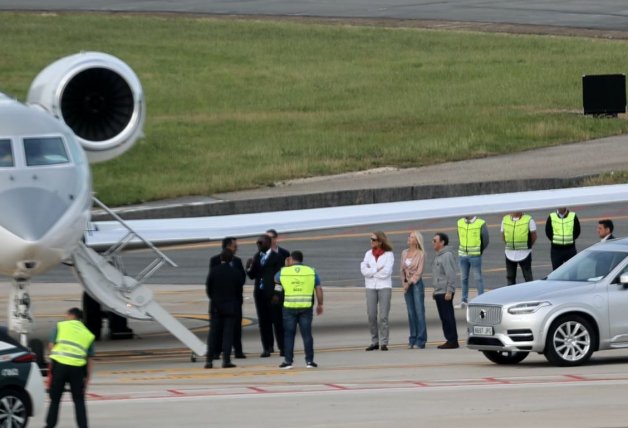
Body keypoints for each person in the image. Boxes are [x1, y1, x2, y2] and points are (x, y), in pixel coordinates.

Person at [45, 307, 95, 428]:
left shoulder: (61, 326)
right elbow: (89, 359)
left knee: (55, 399)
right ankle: (83, 426)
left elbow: (51, 346)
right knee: (79, 400)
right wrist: (87, 378)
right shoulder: (88, 334)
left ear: (69, 315)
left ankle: (50, 425)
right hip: (77, 369)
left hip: (60, 367)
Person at [275, 250, 324, 369]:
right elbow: (318, 289)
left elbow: (276, 279)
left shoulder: (284, 272)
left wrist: (286, 267)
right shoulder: (311, 271)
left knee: (289, 335)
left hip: (289, 307)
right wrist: (320, 304)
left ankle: (288, 361)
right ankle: (309, 361)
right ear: (302, 260)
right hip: (305, 307)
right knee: (307, 335)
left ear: (291, 259)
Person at [247, 234, 285, 357]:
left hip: (273, 294)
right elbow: (252, 276)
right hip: (260, 294)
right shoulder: (257, 257)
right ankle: (267, 347)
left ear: (268, 243)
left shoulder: (277, 257)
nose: (258, 245)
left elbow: (281, 278)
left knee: (278, 321)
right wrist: (249, 267)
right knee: (264, 322)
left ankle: (282, 347)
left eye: (260, 243)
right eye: (257, 243)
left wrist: (277, 293)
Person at [205, 249, 244, 369]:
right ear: (232, 259)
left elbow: (209, 289)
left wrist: (215, 300)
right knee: (228, 335)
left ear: (221, 258)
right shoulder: (235, 272)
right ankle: (226, 360)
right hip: (231, 307)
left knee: (213, 334)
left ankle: (209, 360)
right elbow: (239, 291)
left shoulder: (214, 271)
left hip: (216, 306)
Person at [361, 231, 394, 351]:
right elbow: (364, 270)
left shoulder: (389, 254)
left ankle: (384, 342)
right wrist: (376, 269)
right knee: (371, 315)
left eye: (373, 239)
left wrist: (371, 271)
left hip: (384, 286)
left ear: (380, 241)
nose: (371, 241)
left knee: (383, 316)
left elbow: (386, 273)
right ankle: (374, 341)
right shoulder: (368, 254)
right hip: (370, 287)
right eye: (371, 239)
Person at [431, 233, 459, 349]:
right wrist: (435, 290)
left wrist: (450, 290)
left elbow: (450, 274)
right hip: (439, 291)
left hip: (445, 292)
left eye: (435, 240)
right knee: (444, 317)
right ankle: (449, 339)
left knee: (448, 316)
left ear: (442, 242)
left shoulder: (446, 255)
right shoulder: (438, 255)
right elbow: (438, 275)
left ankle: (452, 340)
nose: (433, 242)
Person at [400, 230, 427, 349]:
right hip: (407, 285)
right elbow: (401, 270)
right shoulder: (404, 253)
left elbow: (419, 272)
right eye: (409, 237)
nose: (409, 238)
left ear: (416, 241)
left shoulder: (420, 254)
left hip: (416, 284)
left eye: (411, 237)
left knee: (419, 312)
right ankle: (413, 338)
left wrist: (410, 282)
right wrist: (404, 283)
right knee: (411, 312)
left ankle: (421, 340)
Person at [456, 215, 489, 308]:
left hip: (475, 255)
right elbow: (459, 236)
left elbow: (485, 240)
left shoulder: (481, 223)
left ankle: (481, 300)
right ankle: (464, 301)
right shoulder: (459, 222)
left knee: (478, 278)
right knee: (463, 278)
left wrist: (479, 250)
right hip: (462, 255)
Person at [501, 211, 537, 285]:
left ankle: (530, 295)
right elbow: (503, 235)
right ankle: (511, 295)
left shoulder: (529, 220)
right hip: (509, 253)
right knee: (510, 277)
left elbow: (534, 236)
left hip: (525, 253)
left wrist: (527, 246)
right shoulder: (505, 220)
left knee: (528, 277)